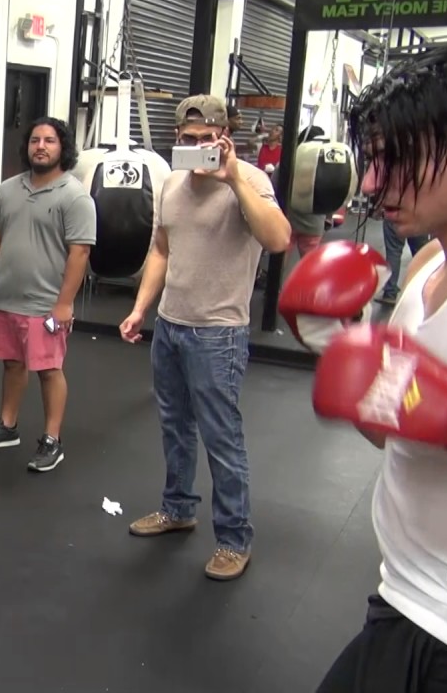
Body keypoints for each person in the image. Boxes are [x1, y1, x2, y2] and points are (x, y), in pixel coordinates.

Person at [278, 41, 447, 691]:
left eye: (399, 158)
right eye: (373, 160)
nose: (372, 183)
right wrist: (339, 347)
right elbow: (397, 431)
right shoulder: (424, 268)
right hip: (405, 604)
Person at [118, 94, 290, 581]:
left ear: (222, 137)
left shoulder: (251, 180)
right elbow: (160, 250)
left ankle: (235, 539)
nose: (194, 148)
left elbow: (278, 239)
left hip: (218, 334)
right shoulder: (171, 183)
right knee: (174, 426)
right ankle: (178, 509)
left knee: (222, 438)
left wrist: (233, 177)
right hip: (170, 326)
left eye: (204, 140)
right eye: (186, 140)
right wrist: (140, 309)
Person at [0, 116, 96, 473]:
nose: (40, 146)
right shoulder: (8, 189)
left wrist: (64, 303)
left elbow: (79, 253)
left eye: (49, 141)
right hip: (7, 295)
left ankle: (52, 440)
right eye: (35, 140)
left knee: (49, 370)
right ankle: (7, 426)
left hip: (45, 303)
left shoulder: (75, 196)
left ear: (62, 148)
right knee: (12, 363)